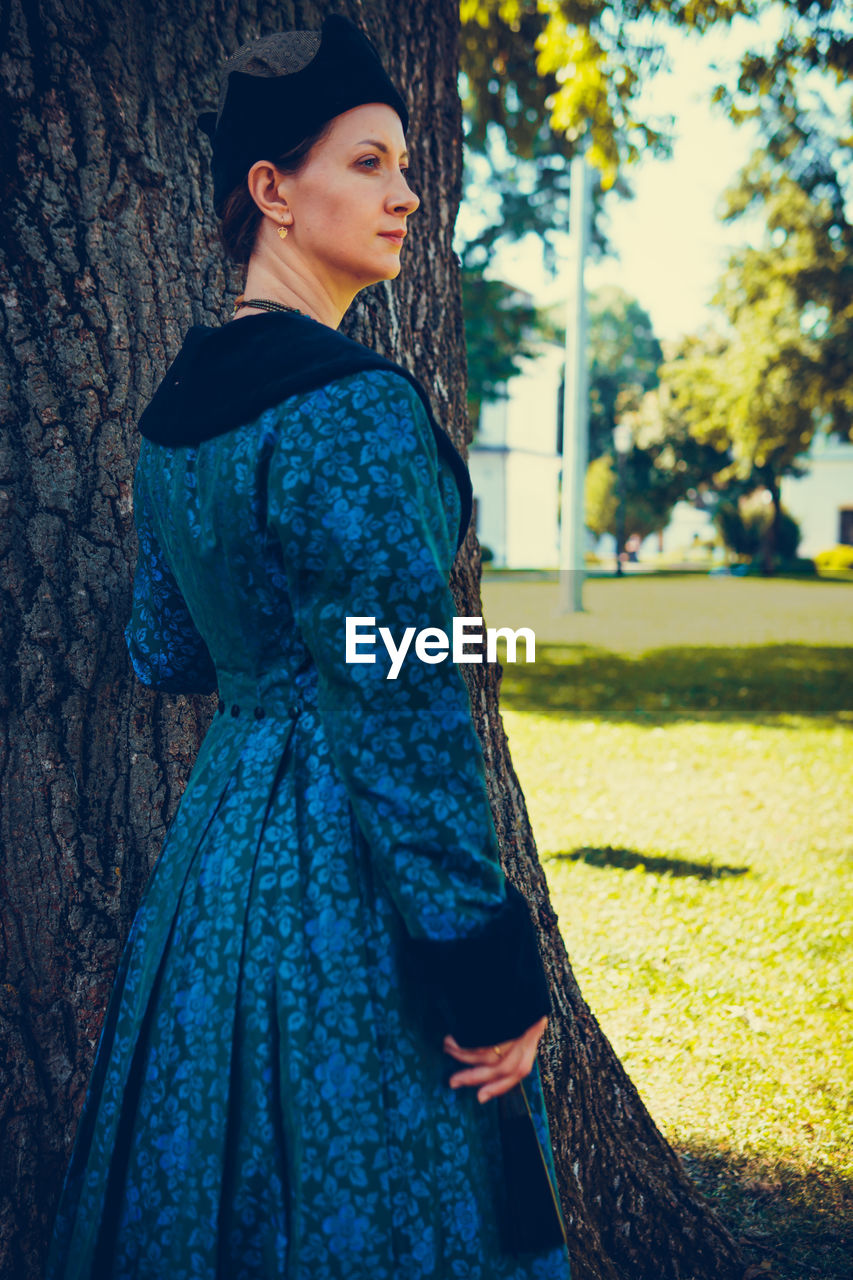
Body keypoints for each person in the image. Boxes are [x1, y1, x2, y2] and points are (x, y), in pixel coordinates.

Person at [45, 14, 572, 1279]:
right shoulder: (352, 409)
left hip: (220, 864)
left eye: (404, 166)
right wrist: (488, 969)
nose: (405, 196)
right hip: (344, 872)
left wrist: (268, 659)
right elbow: (400, 698)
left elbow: (166, 644)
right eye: (368, 163)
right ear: (273, 191)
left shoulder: (180, 409)